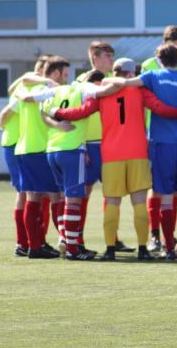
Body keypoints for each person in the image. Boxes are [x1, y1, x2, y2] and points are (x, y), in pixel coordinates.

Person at [51, 59, 177, 260]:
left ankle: (109, 250)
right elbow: (160, 108)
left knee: (113, 202)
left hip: (111, 154)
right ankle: (143, 249)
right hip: (137, 153)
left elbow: (81, 112)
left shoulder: (102, 90)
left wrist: (56, 112)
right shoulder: (140, 90)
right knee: (139, 202)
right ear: (130, 73)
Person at [105, 43, 177, 260]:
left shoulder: (152, 76)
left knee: (166, 198)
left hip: (161, 144)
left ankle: (168, 247)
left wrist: (106, 80)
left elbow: (124, 82)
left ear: (159, 60)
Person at [75, 41, 134, 253]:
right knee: (83, 193)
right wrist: (81, 145)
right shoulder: (83, 81)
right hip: (90, 145)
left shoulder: (112, 81)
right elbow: (78, 116)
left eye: (112, 56)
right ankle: (76, 238)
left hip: (110, 145)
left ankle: (113, 238)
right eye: (107, 56)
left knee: (113, 193)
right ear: (95, 58)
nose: (111, 60)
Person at [142, 26, 177, 252]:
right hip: (156, 136)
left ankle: (173, 241)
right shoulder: (148, 66)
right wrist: (145, 133)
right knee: (158, 189)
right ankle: (155, 235)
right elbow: (144, 101)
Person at [0, 55, 49, 256]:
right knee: (26, 193)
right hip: (16, 144)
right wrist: (8, 130)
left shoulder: (26, 88)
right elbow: (3, 114)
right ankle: (24, 242)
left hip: (21, 144)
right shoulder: (26, 90)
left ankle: (34, 240)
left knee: (35, 193)